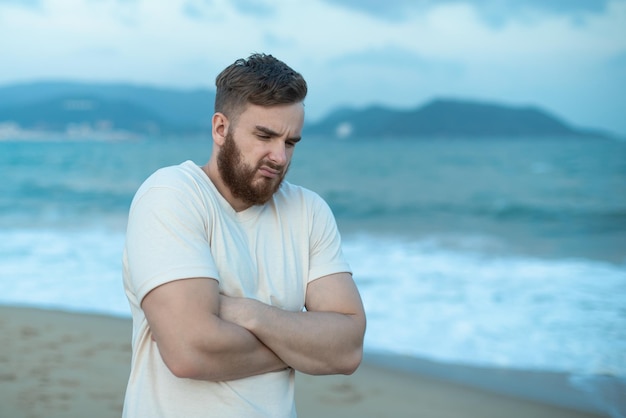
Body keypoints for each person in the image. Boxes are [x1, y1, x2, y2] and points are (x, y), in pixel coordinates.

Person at [121, 53, 366, 417]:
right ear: (221, 128)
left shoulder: (308, 211)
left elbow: (346, 349)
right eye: (264, 136)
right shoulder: (171, 195)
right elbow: (190, 352)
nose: (279, 157)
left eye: (291, 142)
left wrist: (248, 313)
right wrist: (299, 346)